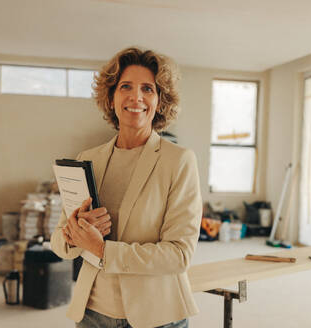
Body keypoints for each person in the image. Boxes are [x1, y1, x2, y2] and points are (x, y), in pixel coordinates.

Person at [50, 47, 202, 328]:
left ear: (160, 101)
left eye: (148, 88)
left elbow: (179, 254)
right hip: (92, 313)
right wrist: (76, 231)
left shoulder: (179, 161)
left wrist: (102, 250)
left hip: (156, 314)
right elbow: (59, 242)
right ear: (111, 97)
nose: (136, 97)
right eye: (126, 87)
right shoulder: (87, 159)